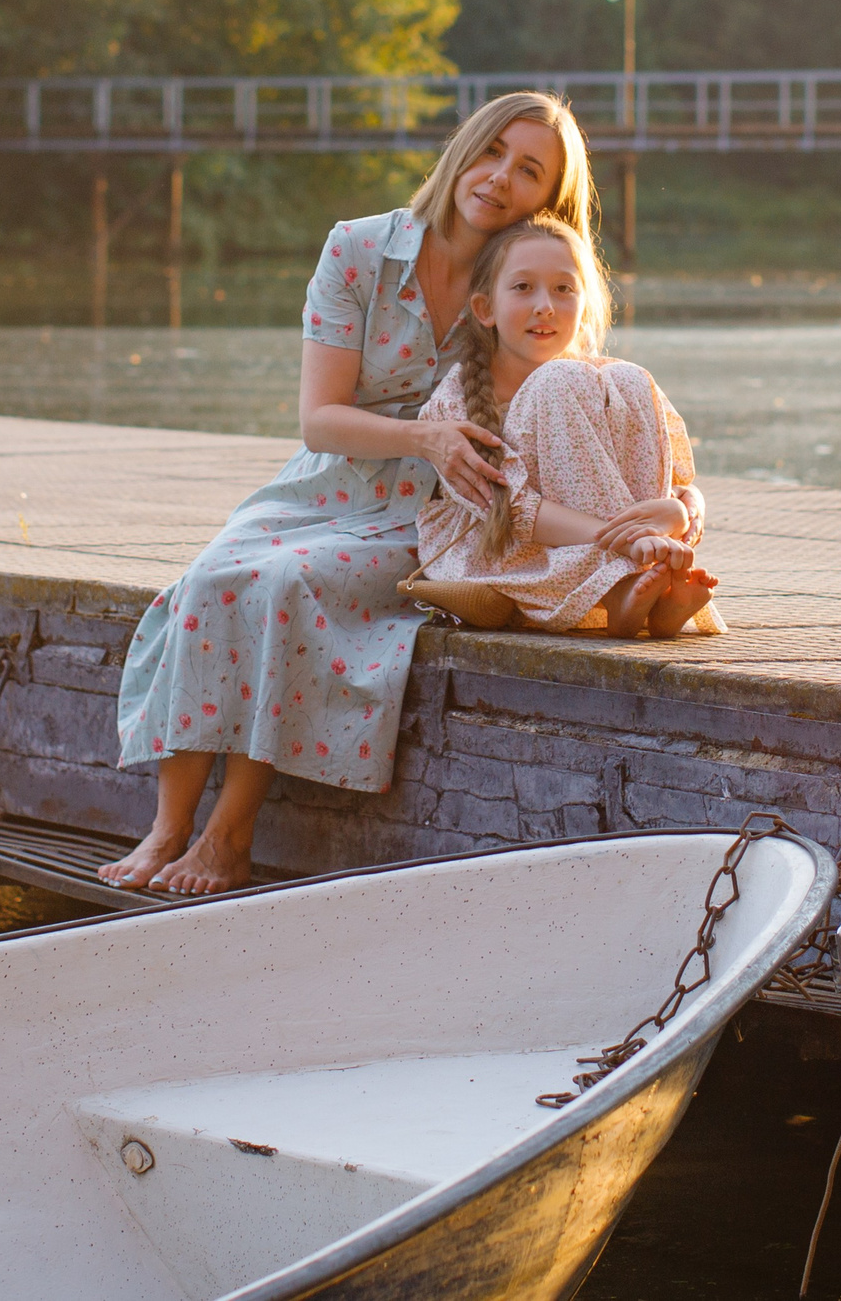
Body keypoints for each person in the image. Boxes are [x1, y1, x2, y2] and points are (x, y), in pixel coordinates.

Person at [96, 92, 598, 895]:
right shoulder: (359, 248)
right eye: (492, 150)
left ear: (548, 198)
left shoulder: (525, 280)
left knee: (287, 582)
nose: (500, 177)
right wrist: (422, 436)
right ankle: (166, 829)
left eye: (529, 170)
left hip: (432, 511)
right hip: (322, 485)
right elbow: (319, 419)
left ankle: (228, 836)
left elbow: (564, 404)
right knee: (211, 579)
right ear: (464, 147)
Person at [411, 215, 720, 638]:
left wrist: (684, 511)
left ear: (584, 305)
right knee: (557, 380)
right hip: (508, 543)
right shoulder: (458, 398)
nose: (545, 305)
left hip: (613, 540)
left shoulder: (610, 380)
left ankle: (655, 594)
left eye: (563, 289)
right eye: (523, 287)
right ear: (485, 309)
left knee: (627, 376)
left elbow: (678, 479)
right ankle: (622, 589)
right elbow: (512, 510)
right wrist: (628, 543)